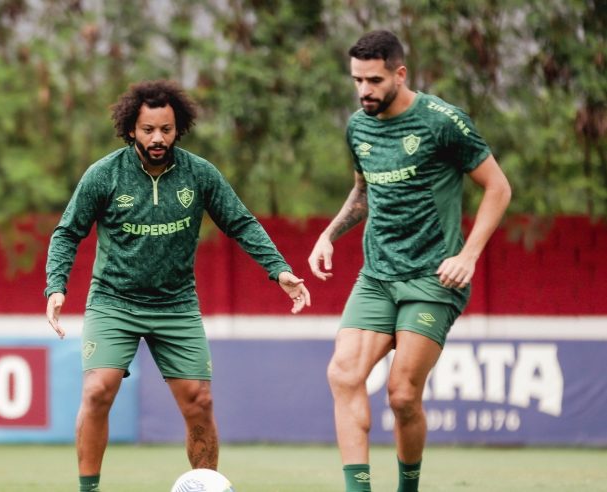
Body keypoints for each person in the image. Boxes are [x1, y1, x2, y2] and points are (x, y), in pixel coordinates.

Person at [44, 79, 310, 492]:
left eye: (165, 129)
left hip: (176, 305)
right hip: (114, 301)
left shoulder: (199, 174)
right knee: (98, 391)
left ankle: (205, 488)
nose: (157, 138)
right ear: (131, 128)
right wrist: (56, 285)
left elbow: (240, 222)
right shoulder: (104, 175)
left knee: (199, 402)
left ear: (178, 128)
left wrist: (279, 269)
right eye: (148, 129)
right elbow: (66, 233)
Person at [307, 30, 511, 492]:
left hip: (433, 277)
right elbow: (363, 192)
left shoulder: (443, 122)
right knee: (343, 374)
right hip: (377, 275)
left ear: (400, 74)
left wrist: (469, 254)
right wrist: (328, 235)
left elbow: (498, 188)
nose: (364, 90)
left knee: (401, 395)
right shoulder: (358, 126)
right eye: (357, 79)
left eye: (374, 80)